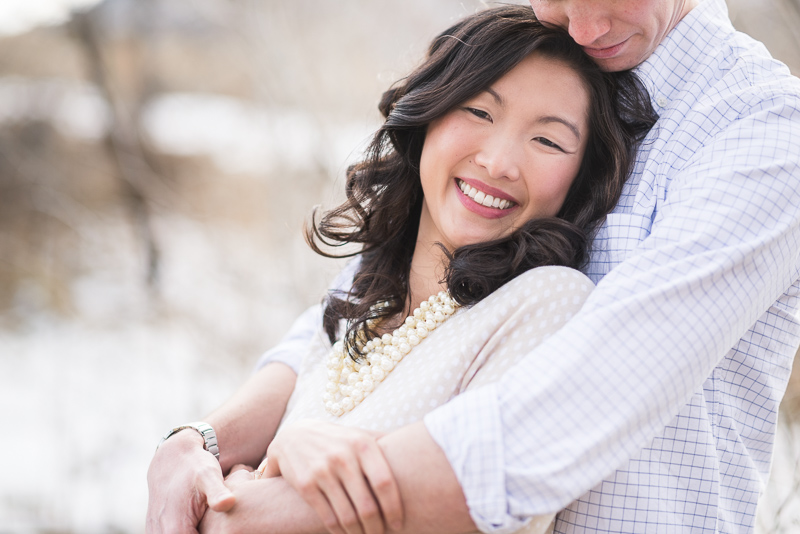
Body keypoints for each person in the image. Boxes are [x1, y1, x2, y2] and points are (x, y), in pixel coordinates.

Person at [148, 0, 800, 532]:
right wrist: (202, 445)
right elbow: (347, 321)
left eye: (547, 139)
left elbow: (570, 407)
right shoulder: (548, 52)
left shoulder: (759, 130)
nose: (584, 28)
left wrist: (252, 511)